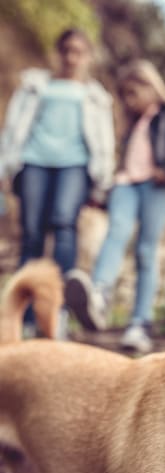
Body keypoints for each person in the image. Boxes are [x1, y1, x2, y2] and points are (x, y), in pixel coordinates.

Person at [65, 59, 165, 353]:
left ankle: (139, 323)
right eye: (125, 95)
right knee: (116, 232)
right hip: (126, 184)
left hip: (157, 185)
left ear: (149, 85)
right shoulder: (133, 124)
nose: (129, 101)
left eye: (132, 93)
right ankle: (99, 297)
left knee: (145, 249)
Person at [0, 28, 115, 339]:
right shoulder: (35, 86)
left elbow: (104, 141)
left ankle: (57, 311)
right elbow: (13, 128)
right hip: (34, 161)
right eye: (67, 51)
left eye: (79, 51)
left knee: (64, 225)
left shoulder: (95, 96)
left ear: (87, 57)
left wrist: (101, 179)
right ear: (58, 53)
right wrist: (5, 165)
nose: (72, 58)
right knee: (32, 233)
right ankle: (21, 315)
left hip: (75, 166)